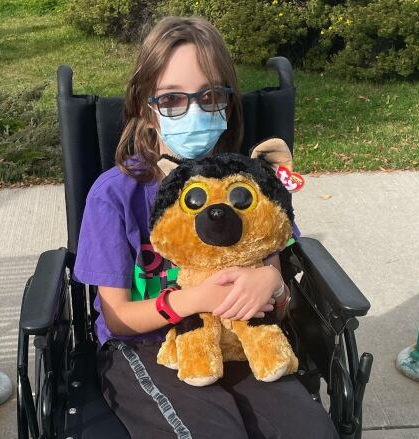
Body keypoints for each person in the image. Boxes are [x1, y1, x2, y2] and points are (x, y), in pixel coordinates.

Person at [73, 16, 338, 439]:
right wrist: (193, 298)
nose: (192, 111)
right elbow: (118, 318)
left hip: (241, 335)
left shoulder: (247, 185)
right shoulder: (115, 194)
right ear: (145, 106)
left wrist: (270, 279)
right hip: (145, 345)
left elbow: (273, 260)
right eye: (172, 99)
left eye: (209, 95)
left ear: (228, 105)